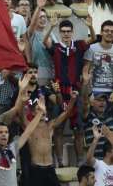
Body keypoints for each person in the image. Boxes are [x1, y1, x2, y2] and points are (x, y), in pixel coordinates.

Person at [46, 18, 94, 165]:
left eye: (68, 31)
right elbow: (44, 41)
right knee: (58, 129)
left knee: (78, 130)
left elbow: (92, 39)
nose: (66, 34)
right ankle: (60, 161)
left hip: (76, 91)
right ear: (59, 33)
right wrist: (51, 26)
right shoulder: (55, 47)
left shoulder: (79, 45)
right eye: (63, 31)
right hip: (59, 91)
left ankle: (79, 161)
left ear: (72, 32)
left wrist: (90, 26)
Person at [0, 102, 45, 186]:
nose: (4, 134)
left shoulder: (13, 147)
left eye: (6, 132)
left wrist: (40, 113)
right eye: (0, 132)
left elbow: (28, 132)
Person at [83, 20, 113, 96]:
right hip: (95, 91)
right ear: (101, 32)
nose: (110, 33)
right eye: (106, 31)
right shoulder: (92, 48)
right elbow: (85, 70)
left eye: (112, 31)